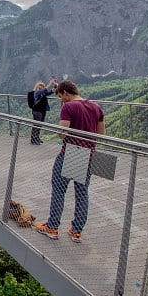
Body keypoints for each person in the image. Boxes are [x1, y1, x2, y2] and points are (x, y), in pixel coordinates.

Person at [35, 80, 104, 243]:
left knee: (59, 190)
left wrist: (63, 127)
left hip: (70, 153)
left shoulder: (68, 107)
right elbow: (101, 134)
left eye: (61, 96)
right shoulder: (96, 107)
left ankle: (52, 227)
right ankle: (76, 230)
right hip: (89, 154)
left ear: (66, 93)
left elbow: (62, 133)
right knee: (82, 193)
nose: (61, 100)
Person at [28, 77, 58, 144]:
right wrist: (50, 83)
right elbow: (44, 91)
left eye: (43, 86)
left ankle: (37, 138)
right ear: (37, 86)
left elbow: (49, 92)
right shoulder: (36, 92)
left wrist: (54, 87)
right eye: (40, 85)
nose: (42, 87)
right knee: (36, 125)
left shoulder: (42, 93)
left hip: (43, 111)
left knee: (39, 125)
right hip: (37, 111)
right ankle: (33, 139)